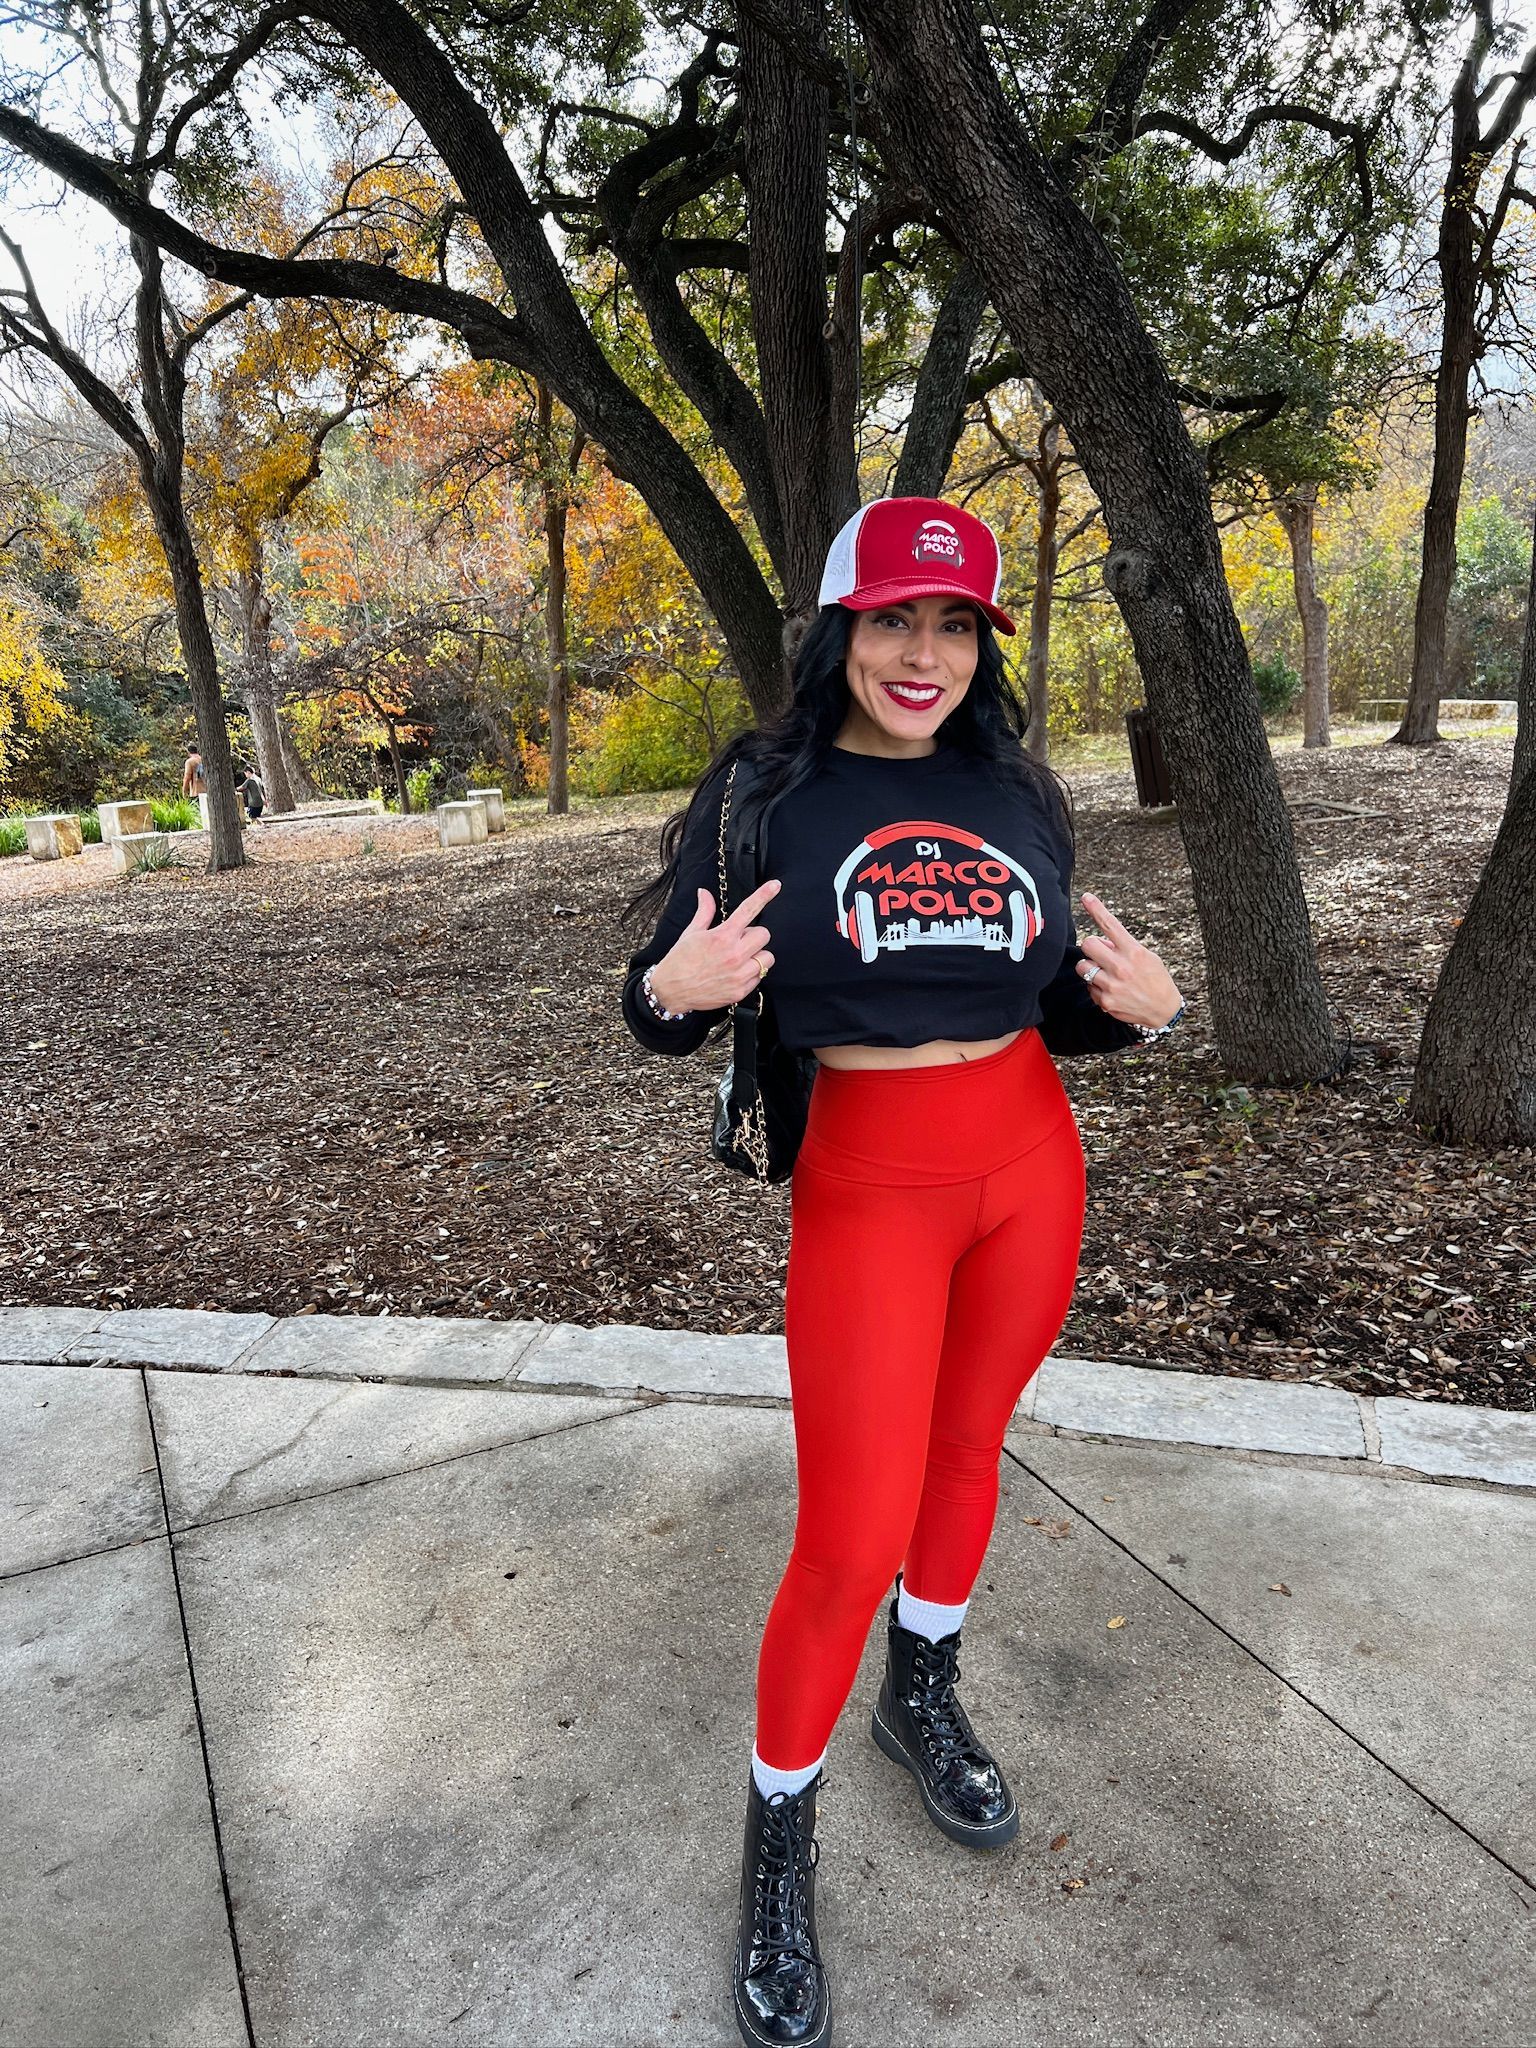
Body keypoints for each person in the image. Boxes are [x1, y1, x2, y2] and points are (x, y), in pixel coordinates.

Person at [620, 497, 1185, 2048]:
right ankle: (780, 1833)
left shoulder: (1013, 786)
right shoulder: (768, 793)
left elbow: (1051, 994)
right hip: (872, 1183)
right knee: (849, 1529)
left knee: (964, 1455)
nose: (922, 654)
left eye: (952, 626)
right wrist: (669, 992)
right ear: (839, 632)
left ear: (981, 644)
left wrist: (1144, 1010)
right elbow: (665, 996)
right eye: (892, 622)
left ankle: (918, 1690)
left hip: (1029, 1162)